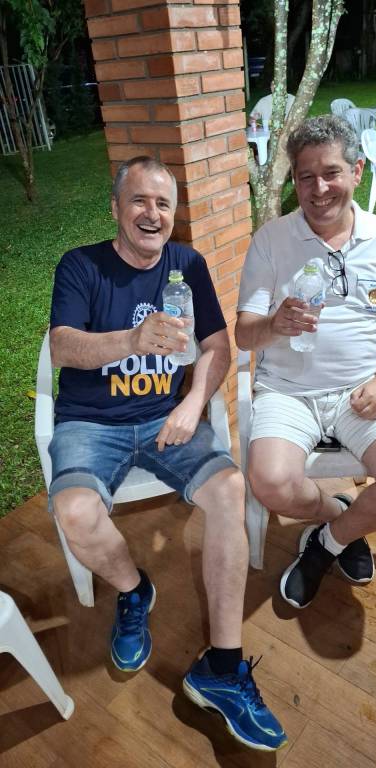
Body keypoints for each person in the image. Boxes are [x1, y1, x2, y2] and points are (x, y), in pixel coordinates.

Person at [48, 156, 286, 751]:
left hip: (166, 420)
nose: (151, 214)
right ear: (116, 208)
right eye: (139, 200)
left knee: (230, 491)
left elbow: (217, 346)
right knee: (74, 512)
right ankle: (134, 590)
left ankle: (223, 669)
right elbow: (63, 348)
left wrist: (193, 403)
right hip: (91, 422)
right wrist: (131, 339)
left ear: (173, 215)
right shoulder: (80, 265)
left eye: (163, 204)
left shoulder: (188, 265)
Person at [235, 115, 376, 610]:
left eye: (331, 173)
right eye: (306, 177)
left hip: (361, 390)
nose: (319, 189)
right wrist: (274, 325)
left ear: (357, 171)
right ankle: (338, 516)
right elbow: (244, 333)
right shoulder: (271, 240)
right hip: (287, 391)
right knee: (270, 482)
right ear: (295, 181)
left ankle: (327, 545)